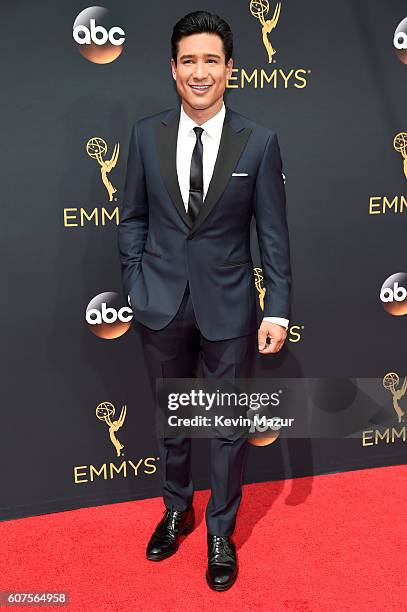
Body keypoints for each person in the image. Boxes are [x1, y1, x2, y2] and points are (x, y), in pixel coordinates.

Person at [118, 10, 292, 591]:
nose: (199, 71)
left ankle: (221, 529)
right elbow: (133, 216)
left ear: (230, 70)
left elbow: (272, 235)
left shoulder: (259, 142)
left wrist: (279, 307)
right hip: (159, 302)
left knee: (225, 427)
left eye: (211, 60)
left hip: (231, 306)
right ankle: (176, 510)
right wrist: (135, 279)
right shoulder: (145, 134)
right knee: (172, 422)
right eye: (188, 60)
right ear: (173, 69)